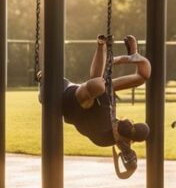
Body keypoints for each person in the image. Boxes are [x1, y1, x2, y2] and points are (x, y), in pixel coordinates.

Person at [56, 34, 151, 172]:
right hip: (82, 97)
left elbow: (96, 81)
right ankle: (131, 55)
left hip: (67, 100)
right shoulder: (112, 124)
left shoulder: (104, 121)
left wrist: (102, 48)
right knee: (141, 78)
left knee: (98, 85)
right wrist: (132, 57)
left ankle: (102, 46)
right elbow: (143, 75)